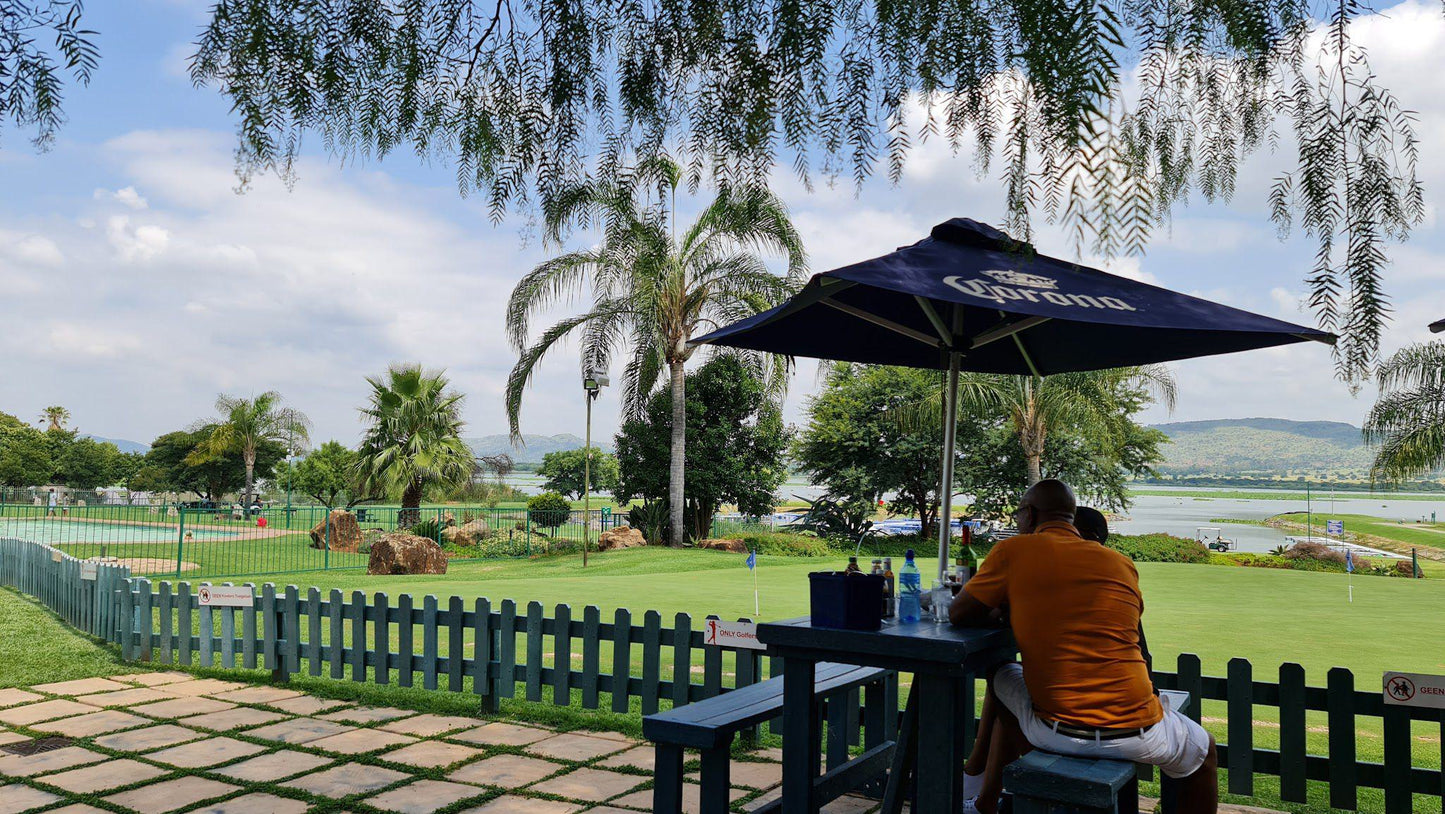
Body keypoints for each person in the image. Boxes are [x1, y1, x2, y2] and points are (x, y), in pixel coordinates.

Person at [950, 480, 1217, 814]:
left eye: (1018, 513)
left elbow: (959, 613)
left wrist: (1005, 611)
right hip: (1140, 732)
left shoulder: (1013, 550)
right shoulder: (1121, 563)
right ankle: (995, 785)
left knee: (1000, 673)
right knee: (1203, 751)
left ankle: (1001, 779)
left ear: (1030, 515)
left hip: (1059, 731)